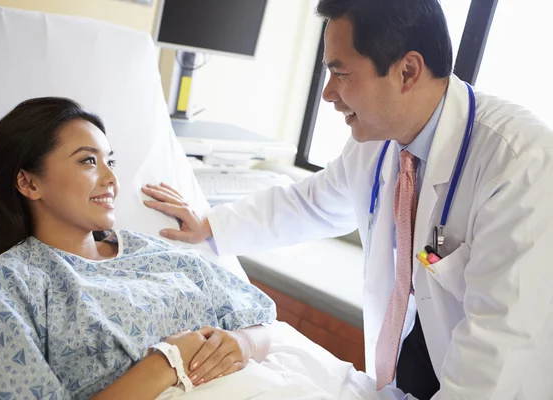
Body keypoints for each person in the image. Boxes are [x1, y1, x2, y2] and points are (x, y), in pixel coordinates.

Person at [141, 0, 553, 398]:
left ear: (407, 71)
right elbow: (311, 203)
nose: (327, 94)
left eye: (341, 74)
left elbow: (498, 352)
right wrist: (211, 224)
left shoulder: (519, 164)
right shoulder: (378, 143)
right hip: (416, 354)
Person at [0, 97, 276, 399]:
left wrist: (243, 343)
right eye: (88, 161)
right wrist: (166, 364)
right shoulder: (2, 289)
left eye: (111, 161)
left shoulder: (152, 252)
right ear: (29, 183)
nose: (112, 178)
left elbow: (259, 321)